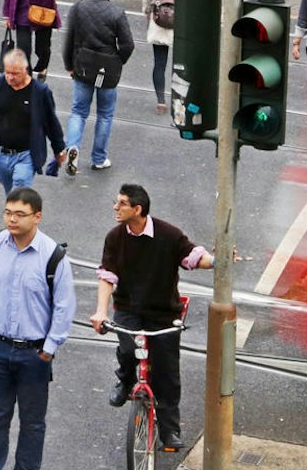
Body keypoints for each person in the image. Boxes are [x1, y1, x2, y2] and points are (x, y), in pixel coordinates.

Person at [90, 184, 214, 455]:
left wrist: (216, 260)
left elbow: (193, 257)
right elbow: (107, 276)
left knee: (167, 373)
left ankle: (170, 430)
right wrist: (101, 311)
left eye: (121, 203)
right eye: (116, 201)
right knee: (127, 349)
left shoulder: (168, 234)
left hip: (164, 313)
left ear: (138, 209)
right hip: (128, 309)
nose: (115, 207)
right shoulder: (115, 237)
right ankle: (124, 380)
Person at [0, 187, 76, 470]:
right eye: (8, 213)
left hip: (34, 354)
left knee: (32, 423)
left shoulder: (53, 255)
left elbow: (64, 306)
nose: (12, 220)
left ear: (37, 217)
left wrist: (49, 348)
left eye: (20, 214)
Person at [61, 0, 135, 175]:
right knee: (105, 115)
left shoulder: (77, 8)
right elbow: (128, 44)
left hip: (83, 66)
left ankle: (73, 147)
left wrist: (70, 65)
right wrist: (118, 61)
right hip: (108, 70)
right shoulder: (117, 13)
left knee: (78, 112)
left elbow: (69, 40)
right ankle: (99, 158)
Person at [0, 50, 61, 193]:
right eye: (7, 72)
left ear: (25, 70)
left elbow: (50, 122)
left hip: (27, 155)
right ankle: (15, 214)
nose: (10, 77)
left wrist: (58, 148)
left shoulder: (40, 91)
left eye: (15, 74)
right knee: (10, 194)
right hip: (1, 154)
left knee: (19, 193)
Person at [144, 0, 193, 114]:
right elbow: (190, 3)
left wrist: (148, 14)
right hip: (178, 26)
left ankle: (161, 101)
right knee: (179, 65)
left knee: (159, 63)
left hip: (158, 23)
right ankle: (179, 100)